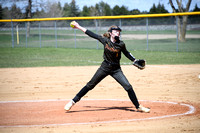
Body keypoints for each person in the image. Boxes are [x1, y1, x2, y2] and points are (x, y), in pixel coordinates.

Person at [64, 21, 150, 113]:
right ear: (110, 33)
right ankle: (72, 101)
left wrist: (135, 60)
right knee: (90, 85)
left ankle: (138, 106)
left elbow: (127, 53)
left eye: (119, 31)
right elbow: (91, 34)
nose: (118, 33)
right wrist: (78, 27)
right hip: (104, 68)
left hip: (116, 70)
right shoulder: (105, 40)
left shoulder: (121, 44)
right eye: (116, 31)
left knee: (128, 86)